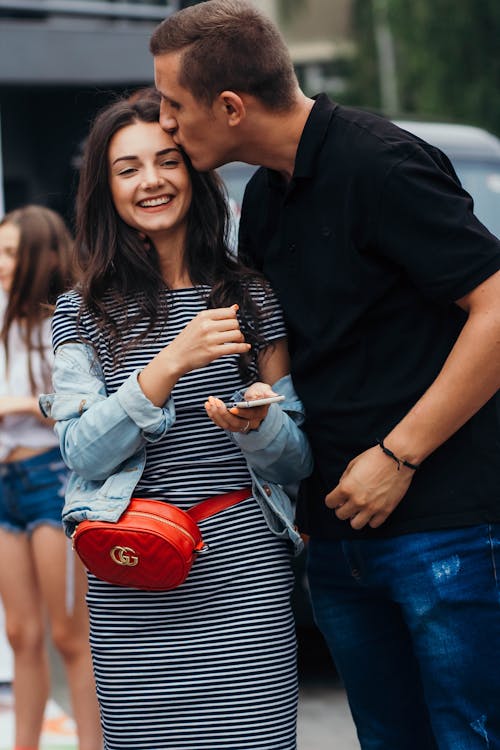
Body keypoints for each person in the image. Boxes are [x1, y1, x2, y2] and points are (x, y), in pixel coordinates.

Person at [149, 2, 500, 749]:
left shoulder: (380, 162)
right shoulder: (268, 200)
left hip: (447, 530)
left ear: (232, 106)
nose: (168, 127)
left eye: (174, 108)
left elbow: (497, 307)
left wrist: (398, 455)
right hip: (338, 536)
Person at [39, 91, 312, 750]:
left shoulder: (251, 296)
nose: (151, 180)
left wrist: (261, 427)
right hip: (133, 571)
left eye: (167, 161)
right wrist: (171, 361)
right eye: (128, 168)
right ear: (106, 188)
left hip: (243, 569)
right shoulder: (82, 311)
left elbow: (296, 458)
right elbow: (82, 450)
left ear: (194, 172)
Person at [0, 205, 102, 750]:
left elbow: (80, 406)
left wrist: (14, 404)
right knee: (20, 634)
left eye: (12, 251)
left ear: (42, 255)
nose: (2, 262)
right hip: (3, 485)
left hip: (51, 478)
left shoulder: (65, 319)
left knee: (70, 637)